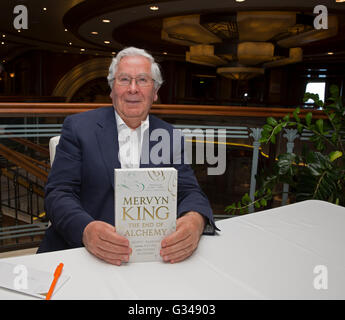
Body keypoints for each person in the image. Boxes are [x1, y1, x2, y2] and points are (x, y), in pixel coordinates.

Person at [37, 47, 216, 265]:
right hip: (82, 254)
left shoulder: (169, 135)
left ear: (155, 91)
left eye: (142, 80)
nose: (133, 89)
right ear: (112, 89)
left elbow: (190, 191)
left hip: (153, 257)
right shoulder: (78, 128)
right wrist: (86, 229)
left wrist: (194, 221)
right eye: (124, 80)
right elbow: (59, 193)